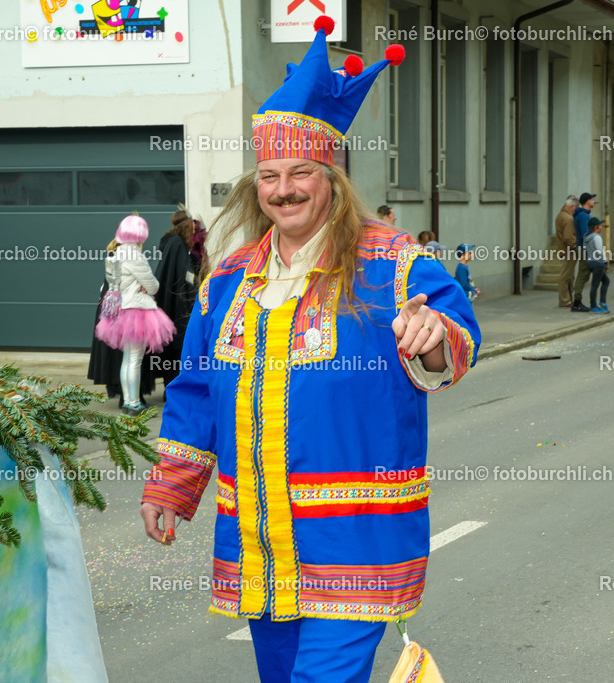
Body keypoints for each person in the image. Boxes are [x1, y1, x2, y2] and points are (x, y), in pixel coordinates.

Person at [139, 19, 480, 682]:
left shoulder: (394, 264)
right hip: (261, 544)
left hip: (357, 541)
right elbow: (194, 391)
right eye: (269, 174)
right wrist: (173, 486)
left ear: (331, 177)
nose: (283, 189)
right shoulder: (230, 278)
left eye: (300, 172)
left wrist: (433, 339)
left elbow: (453, 335)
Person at [94, 215, 175, 416]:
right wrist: (146, 288)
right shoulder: (135, 255)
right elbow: (153, 286)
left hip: (120, 311)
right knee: (134, 360)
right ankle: (133, 403)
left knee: (127, 359)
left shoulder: (115, 253)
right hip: (137, 310)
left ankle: (129, 402)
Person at [150, 206, 201, 386]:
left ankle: (169, 385)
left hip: (169, 303)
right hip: (177, 306)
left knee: (171, 348)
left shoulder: (171, 242)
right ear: (187, 226)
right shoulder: (178, 244)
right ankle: (171, 386)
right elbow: (184, 277)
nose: (195, 230)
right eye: (193, 226)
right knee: (177, 347)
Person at [572, 192, 596, 312]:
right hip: (584, 248)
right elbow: (585, 234)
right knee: (583, 275)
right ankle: (577, 301)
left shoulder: (583, 215)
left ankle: (577, 300)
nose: (594, 201)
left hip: (583, 247)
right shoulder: (583, 216)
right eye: (592, 199)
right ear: (587, 201)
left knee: (584, 274)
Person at [555, 195, 580, 309]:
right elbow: (568, 237)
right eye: (576, 207)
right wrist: (576, 246)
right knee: (566, 276)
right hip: (569, 251)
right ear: (571, 206)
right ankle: (565, 300)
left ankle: (568, 299)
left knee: (568, 276)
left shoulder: (560, 215)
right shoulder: (568, 218)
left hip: (564, 250)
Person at [585, 217, 610, 313]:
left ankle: (602, 302)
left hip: (590, 262)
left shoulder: (587, 237)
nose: (602, 227)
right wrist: (605, 261)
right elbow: (600, 251)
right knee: (595, 285)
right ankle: (593, 305)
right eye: (600, 225)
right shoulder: (597, 237)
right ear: (596, 227)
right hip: (598, 263)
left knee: (606, 281)